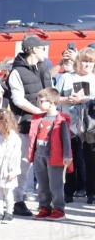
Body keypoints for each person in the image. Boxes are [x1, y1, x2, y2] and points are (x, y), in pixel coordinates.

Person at [7, 34, 53, 217]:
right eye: (42, 48)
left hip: (44, 125)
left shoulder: (44, 67)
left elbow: (52, 95)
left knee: (43, 165)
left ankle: (46, 203)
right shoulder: (16, 72)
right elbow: (18, 100)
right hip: (25, 125)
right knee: (23, 165)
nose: (45, 50)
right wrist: (40, 113)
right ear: (34, 49)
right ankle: (17, 201)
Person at [54, 47, 95, 203]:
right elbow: (55, 98)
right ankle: (69, 191)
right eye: (84, 61)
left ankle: (91, 192)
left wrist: (86, 100)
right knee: (69, 159)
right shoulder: (66, 78)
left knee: (91, 160)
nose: (87, 65)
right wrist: (68, 99)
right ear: (78, 61)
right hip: (69, 125)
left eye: (91, 62)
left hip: (90, 126)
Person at [29, 88, 73, 221]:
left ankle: (59, 209)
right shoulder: (38, 118)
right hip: (39, 156)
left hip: (54, 157)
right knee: (42, 184)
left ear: (52, 102)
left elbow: (66, 139)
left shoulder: (61, 119)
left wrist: (67, 155)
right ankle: (44, 207)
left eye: (41, 101)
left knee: (56, 185)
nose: (38, 103)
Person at [0, 109, 22, 224]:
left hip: (8, 169)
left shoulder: (14, 138)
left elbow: (16, 155)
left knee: (8, 192)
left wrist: (13, 170)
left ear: (2, 122)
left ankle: (9, 213)